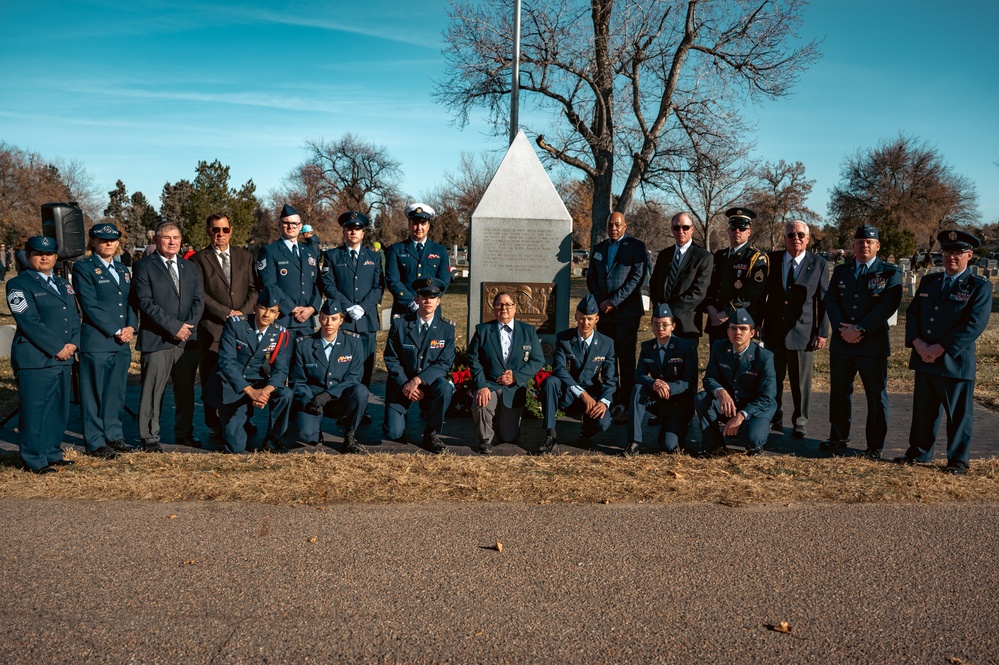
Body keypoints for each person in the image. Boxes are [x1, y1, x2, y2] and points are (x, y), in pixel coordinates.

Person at [897, 230, 993, 474]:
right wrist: (918, 344)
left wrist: (940, 348)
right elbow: (914, 313)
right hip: (924, 357)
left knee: (958, 415)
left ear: (969, 256)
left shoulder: (978, 286)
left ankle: (957, 460)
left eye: (958, 253)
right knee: (923, 412)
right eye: (947, 252)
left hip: (954, 361)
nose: (951, 257)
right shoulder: (930, 281)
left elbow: (974, 324)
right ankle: (919, 453)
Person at [822, 224, 903, 459]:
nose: (864, 245)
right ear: (853, 246)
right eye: (859, 242)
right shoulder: (842, 271)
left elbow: (888, 304)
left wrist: (860, 329)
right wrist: (841, 328)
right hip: (842, 342)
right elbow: (831, 301)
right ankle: (838, 436)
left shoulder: (889, 272)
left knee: (876, 395)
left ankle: (874, 445)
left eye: (869, 242)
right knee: (839, 392)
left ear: (877, 246)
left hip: (872, 343)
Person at [5, 236, 80, 473]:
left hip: (64, 357)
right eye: (38, 253)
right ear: (27, 257)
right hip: (36, 358)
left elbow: (75, 317)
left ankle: (51, 453)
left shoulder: (62, 284)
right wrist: (57, 347)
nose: (44, 257)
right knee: (35, 409)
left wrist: (73, 344)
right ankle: (34, 460)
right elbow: (29, 322)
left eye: (49, 254)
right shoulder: (18, 285)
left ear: (56, 257)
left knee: (58, 409)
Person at [130, 221, 206, 451]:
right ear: (156, 240)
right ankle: (150, 437)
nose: (172, 241)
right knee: (154, 391)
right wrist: (174, 327)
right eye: (166, 237)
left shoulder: (190, 267)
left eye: (176, 237)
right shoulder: (144, 266)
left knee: (185, 392)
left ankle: (184, 433)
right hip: (158, 339)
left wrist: (188, 327)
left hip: (187, 341)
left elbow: (198, 300)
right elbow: (146, 303)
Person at [759, 220, 829, 440]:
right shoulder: (772, 260)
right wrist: (757, 323)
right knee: (773, 379)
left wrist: (822, 331)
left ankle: (800, 421)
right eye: (791, 235)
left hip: (803, 332)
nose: (795, 239)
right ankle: (773, 415)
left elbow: (823, 300)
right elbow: (762, 296)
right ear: (785, 238)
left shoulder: (818, 263)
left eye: (800, 235)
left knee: (801, 383)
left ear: (808, 238)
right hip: (774, 331)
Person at [72, 222, 137, 458]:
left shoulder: (122, 270)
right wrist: (117, 330)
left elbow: (130, 302)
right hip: (98, 341)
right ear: (93, 241)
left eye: (113, 240)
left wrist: (131, 326)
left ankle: (113, 435)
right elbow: (90, 306)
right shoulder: (83, 268)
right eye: (103, 239)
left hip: (121, 343)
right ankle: (96, 441)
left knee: (115, 392)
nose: (109, 243)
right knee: (93, 394)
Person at [205, 287, 294, 454]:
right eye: (263, 308)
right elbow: (226, 362)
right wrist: (250, 392)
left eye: (272, 311)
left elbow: (281, 370)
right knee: (235, 449)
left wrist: (265, 392)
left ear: (277, 314)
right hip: (234, 385)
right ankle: (236, 421)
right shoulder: (235, 325)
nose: (267, 314)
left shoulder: (280, 334)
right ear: (255, 307)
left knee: (286, 394)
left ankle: (273, 439)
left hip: (259, 382)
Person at [191, 212, 258, 438]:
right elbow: (200, 294)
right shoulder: (198, 259)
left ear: (231, 231)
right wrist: (227, 313)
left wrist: (242, 313)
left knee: (243, 373)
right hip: (214, 328)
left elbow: (253, 289)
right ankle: (213, 422)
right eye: (215, 229)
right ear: (208, 231)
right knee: (212, 375)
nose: (220, 234)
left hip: (243, 327)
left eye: (225, 229)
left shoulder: (245, 256)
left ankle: (243, 419)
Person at [382, 278, 456, 453]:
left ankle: (431, 433)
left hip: (429, 383)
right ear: (416, 299)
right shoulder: (400, 324)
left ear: (439, 301)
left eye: (433, 297)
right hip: (402, 384)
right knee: (393, 433)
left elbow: (445, 362)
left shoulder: (447, 329)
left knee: (445, 388)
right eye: (423, 296)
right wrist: (406, 384)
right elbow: (391, 358)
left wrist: (418, 380)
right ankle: (401, 414)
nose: (428, 301)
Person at [586, 211, 648, 420]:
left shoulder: (636, 247)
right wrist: (602, 302)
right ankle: (610, 399)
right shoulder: (599, 249)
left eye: (618, 225)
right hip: (604, 313)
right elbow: (591, 277)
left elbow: (636, 277)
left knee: (626, 357)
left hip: (627, 312)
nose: (613, 228)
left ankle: (628, 401)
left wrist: (614, 301)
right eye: (610, 224)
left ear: (625, 226)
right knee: (607, 357)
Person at [537, 294, 617, 455]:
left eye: (589, 319)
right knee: (550, 382)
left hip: (592, 393)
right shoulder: (565, 338)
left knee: (603, 422)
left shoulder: (606, 343)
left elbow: (611, 378)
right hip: (567, 392)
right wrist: (582, 394)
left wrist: (603, 401)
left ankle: (587, 429)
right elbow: (559, 369)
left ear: (597, 319)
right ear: (576, 317)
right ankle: (550, 435)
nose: (585, 323)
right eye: (581, 318)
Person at [467, 291, 545, 454]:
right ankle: (485, 439)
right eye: (499, 304)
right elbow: (473, 359)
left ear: (515, 308)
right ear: (494, 308)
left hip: (514, 388)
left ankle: (501, 424)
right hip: (489, 384)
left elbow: (538, 360)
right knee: (481, 402)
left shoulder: (528, 331)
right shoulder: (483, 331)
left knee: (508, 437)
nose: (504, 308)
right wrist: (481, 385)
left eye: (508, 304)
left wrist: (516, 376)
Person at [289, 300, 368, 453]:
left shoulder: (354, 343)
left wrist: (328, 395)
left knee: (361, 391)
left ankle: (350, 436)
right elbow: (297, 380)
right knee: (306, 436)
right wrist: (307, 400)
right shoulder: (303, 344)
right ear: (319, 319)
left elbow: (354, 377)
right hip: (314, 401)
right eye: (325, 318)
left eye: (334, 318)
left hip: (340, 400)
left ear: (341, 320)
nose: (328, 323)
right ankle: (315, 429)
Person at [696, 309, 776, 457]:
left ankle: (752, 438)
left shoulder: (764, 357)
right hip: (729, 404)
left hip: (755, 407)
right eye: (733, 328)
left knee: (754, 439)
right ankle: (713, 446)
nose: (737, 332)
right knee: (702, 399)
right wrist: (721, 392)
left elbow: (767, 396)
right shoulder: (719, 347)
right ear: (727, 331)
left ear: (752, 333)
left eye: (743, 329)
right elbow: (709, 378)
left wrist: (741, 415)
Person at [320, 211, 384, 396]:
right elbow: (328, 285)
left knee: (365, 365)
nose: (353, 232)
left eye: (357, 229)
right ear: (344, 232)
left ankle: (361, 407)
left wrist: (363, 307)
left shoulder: (373, 257)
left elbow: (378, 286)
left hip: (366, 319)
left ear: (363, 233)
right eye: (349, 229)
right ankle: (342, 405)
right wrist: (348, 306)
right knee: (342, 363)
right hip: (343, 318)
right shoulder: (333, 256)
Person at [626, 303, 698, 456]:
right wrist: (654, 383)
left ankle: (678, 425)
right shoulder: (647, 347)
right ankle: (634, 441)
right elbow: (639, 374)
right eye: (656, 324)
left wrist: (669, 386)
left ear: (673, 326)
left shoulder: (686, 346)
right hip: (657, 397)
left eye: (665, 325)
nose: (660, 328)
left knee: (668, 446)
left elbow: (690, 380)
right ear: (651, 325)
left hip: (677, 401)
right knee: (638, 389)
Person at [255, 203, 321, 339]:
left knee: (306, 360)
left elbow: (318, 284)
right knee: (282, 360)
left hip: (306, 321)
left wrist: (312, 308)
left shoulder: (309, 252)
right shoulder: (270, 251)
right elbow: (269, 285)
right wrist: (291, 307)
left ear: (301, 226)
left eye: (295, 224)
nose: (291, 226)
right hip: (283, 318)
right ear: (279, 225)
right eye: (286, 223)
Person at [703, 208, 770, 341]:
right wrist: (710, 307)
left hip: (740, 322)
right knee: (717, 360)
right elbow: (710, 284)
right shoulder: (719, 255)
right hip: (716, 320)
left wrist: (727, 312)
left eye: (742, 228)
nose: (737, 232)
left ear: (749, 232)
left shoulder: (756, 258)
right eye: (733, 228)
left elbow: (752, 292)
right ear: (728, 231)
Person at [648, 212, 713, 339]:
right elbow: (654, 284)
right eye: (676, 228)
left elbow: (699, 291)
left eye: (685, 227)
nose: (681, 231)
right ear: (672, 230)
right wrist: (660, 311)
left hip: (687, 323)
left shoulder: (704, 257)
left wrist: (670, 312)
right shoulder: (664, 255)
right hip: (662, 324)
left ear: (692, 229)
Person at [385, 203, 452, 318]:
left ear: (428, 226)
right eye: (415, 223)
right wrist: (411, 302)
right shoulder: (396, 249)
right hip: (404, 311)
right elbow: (393, 280)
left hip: (431, 312)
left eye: (423, 223)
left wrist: (429, 300)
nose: (419, 228)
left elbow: (444, 280)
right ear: (409, 225)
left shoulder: (440, 250)